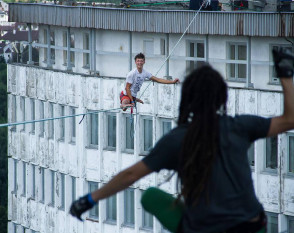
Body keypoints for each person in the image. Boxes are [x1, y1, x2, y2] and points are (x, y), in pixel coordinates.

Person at [70, 48, 294, 233]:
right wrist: (285, 74)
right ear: (222, 97)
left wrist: (89, 199)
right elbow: (289, 119)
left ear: (187, 98)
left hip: (206, 228)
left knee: (150, 197)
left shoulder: (178, 139)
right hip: (253, 226)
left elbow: (130, 175)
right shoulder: (240, 126)